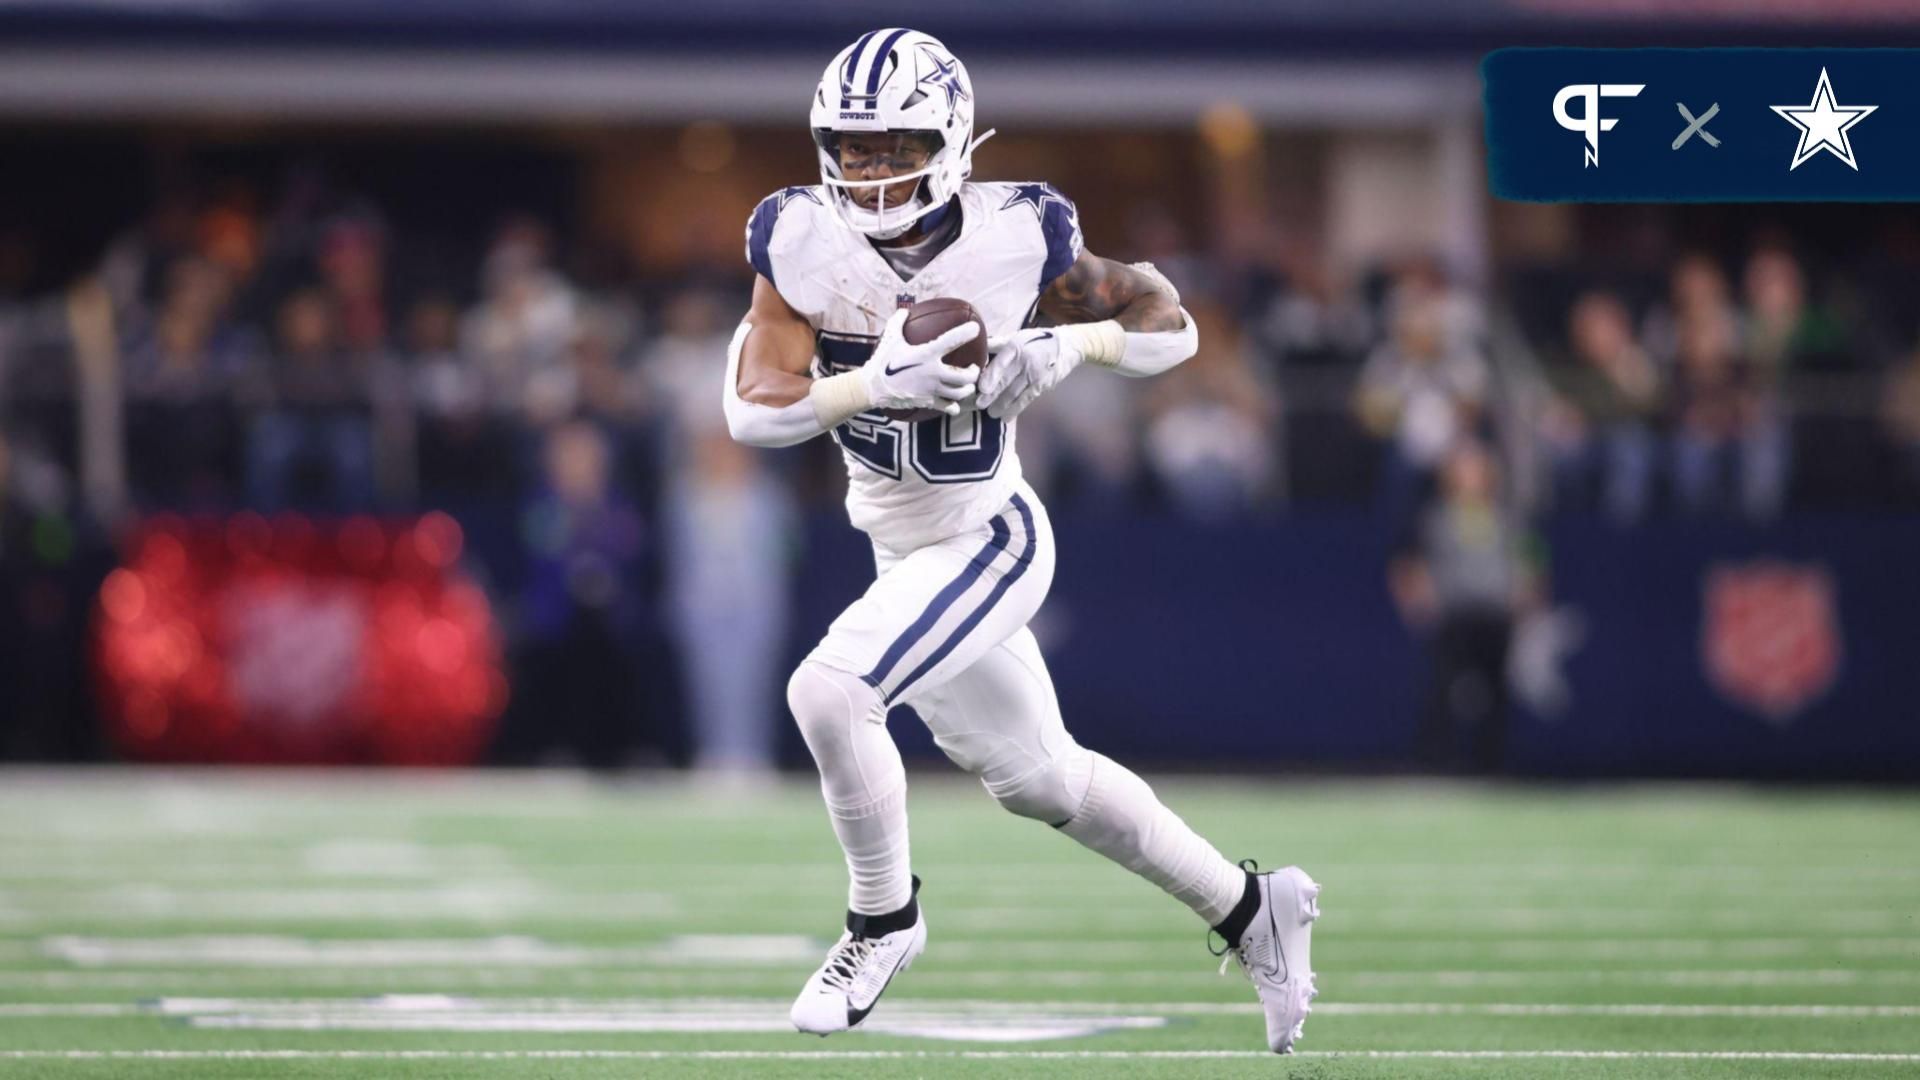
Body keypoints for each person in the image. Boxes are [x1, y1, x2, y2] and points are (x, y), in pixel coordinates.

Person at [723, 28, 1318, 1054]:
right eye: (851, 148)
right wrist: (870, 384)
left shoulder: (1021, 231)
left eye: (892, 144)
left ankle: (883, 919)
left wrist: (1069, 344)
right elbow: (753, 409)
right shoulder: (794, 236)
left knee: (829, 690)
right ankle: (1251, 907)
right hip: (901, 549)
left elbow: (1173, 324)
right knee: (1043, 781)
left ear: (950, 137)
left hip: (990, 535)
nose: (868, 172)